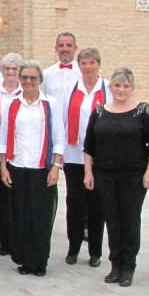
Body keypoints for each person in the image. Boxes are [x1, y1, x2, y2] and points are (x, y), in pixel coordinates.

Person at [84, 67, 149, 287]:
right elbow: (89, 146)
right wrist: (88, 172)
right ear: (111, 87)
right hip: (105, 175)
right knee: (112, 220)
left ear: (132, 88)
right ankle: (115, 263)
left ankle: (128, 265)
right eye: (117, 85)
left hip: (134, 177)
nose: (121, 90)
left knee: (129, 219)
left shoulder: (143, 111)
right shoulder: (99, 112)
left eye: (126, 86)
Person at [0, 60, 65, 277]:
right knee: (20, 216)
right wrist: (3, 166)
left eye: (33, 78)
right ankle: (24, 260)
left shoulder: (51, 104)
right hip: (17, 166)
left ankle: (40, 261)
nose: (28, 81)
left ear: (40, 81)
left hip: (41, 168)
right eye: (24, 77)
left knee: (40, 217)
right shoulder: (12, 104)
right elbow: (4, 136)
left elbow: (58, 137)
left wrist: (55, 166)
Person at [60, 48, 110, 269]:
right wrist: (58, 153)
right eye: (84, 63)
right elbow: (60, 122)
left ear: (98, 64)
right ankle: (73, 248)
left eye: (92, 62)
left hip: (100, 157)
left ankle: (95, 251)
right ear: (78, 66)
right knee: (75, 203)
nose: (88, 67)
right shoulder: (69, 89)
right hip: (73, 155)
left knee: (97, 204)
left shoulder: (108, 89)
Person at [0, 52, 24, 256]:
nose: (10, 72)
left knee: (19, 199)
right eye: (7, 69)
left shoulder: (26, 92)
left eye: (14, 69)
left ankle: (19, 239)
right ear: (1, 71)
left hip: (20, 153)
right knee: (1, 200)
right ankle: (5, 241)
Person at [41, 32, 81, 98]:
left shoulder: (83, 74)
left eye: (69, 45)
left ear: (75, 48)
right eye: (61, 45)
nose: (65, 49)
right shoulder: (45, 75)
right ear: (56, 48)